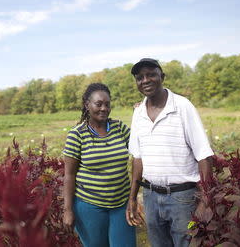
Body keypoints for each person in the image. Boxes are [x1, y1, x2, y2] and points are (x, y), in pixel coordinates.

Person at [125, 58, 214, 247]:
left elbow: (204, 156)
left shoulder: (182, 106)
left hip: (182, 198)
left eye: (151, 74)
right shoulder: (138, 113)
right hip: (150, 197)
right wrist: (132, 198)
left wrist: (205, 201)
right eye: (140, 77)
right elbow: (137, 159)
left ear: (162, 77)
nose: (145, 80)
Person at [62, 83, 137, 247]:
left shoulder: (119, 128)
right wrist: (67, 210)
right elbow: (69, 175)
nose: (104, 108)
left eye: (107, 104)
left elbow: (140, 146)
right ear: (87, 105)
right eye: (98, 104)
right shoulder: (77, 135)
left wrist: (141, 115)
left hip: (121, 204)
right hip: (89, 206)